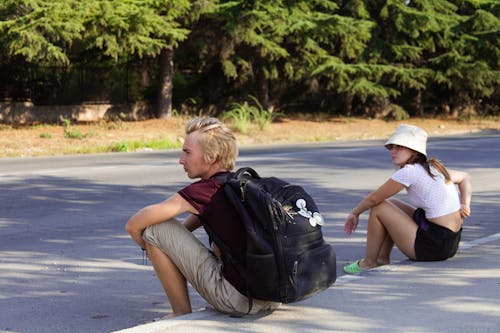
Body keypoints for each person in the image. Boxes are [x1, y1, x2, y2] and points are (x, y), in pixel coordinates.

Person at [125, 117, 279, 320]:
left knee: (154, 229)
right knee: (162, 233)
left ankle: (180, 311)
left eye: (187, 152)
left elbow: (135, 224)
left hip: (237, 300)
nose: (181, 160)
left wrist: (148, 243)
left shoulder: (205, 191)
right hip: (271, 296)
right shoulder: (238, 186)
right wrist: (169, 248)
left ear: (211, 156)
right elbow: (189, 226)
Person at [343, 124, 472, 274]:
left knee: (379, 206)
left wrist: (355, 213)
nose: (393, 151)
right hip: (449, 242)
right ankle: (382, 259)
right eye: (392, 147)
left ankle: (369, 262)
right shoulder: (433, 167)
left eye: (399, 147)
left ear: (413, 150)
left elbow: (374, 199)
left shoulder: (409, 172)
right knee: (391, 203)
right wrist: (465, 203)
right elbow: (465, 177)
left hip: (432, 246)